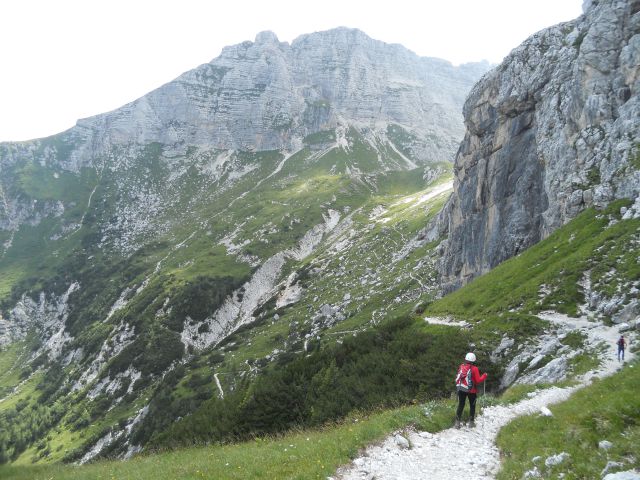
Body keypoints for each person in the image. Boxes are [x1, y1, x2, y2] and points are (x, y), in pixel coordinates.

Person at [455, 352, 487, 428]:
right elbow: (478, 380)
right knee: (472, 406)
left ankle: (457, 423)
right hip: (472, 391)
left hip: (462, 389)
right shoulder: (475, 369)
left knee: (461, 405)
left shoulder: (461, 366)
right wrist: (484, 376)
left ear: (466, 359)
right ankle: (471, 423)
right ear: (473, 360)